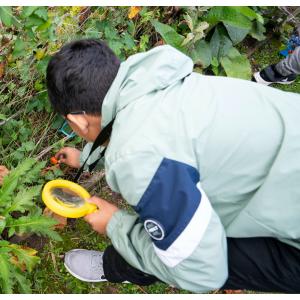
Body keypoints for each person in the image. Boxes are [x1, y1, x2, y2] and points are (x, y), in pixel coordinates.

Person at [46, 39, 300, 293]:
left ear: (77, 121)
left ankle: (117, 268)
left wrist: (114, 224)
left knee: (170, 251)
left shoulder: (138, 162)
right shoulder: (159, 79)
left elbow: (202, 273)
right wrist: (87, 158)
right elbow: (157, 135)